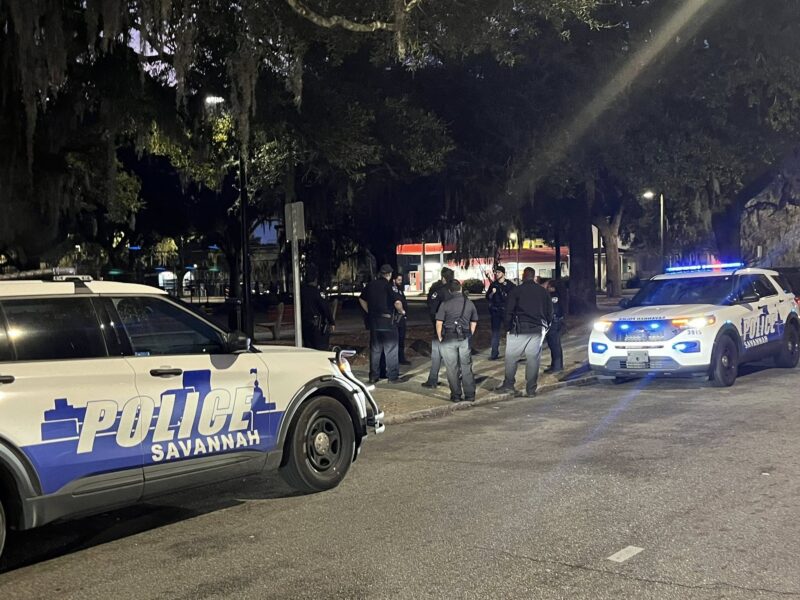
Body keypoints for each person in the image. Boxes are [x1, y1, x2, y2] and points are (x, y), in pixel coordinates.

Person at [496, 267, 554, 397]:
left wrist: (508, 327)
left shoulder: (516, 291)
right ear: (534, 277)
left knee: (511, 358)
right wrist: (546, 326)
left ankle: (509, 385)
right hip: (538, 329)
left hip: (519, 328)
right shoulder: (543, 292)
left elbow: (509, 311)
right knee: (533, 359)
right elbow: (550, 311)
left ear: (523, 276)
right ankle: (531, 389)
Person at [359, 264, 406, 383]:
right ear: (389, 274)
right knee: (391, 350)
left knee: (375, 350)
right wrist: (402, 311)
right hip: (388, 322)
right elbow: (397, 303)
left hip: (374, 322)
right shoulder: (389, 286)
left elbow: (361, 299)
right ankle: (393, 377)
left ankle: (374, 376)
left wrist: (369, 311)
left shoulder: (371, 285)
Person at [436, 280, 479, 402]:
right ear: (460, 289)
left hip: (448, 338)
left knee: (451, 368)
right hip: (464, 338)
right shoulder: (469, 303)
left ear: (450, 291)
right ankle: (470, 395)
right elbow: (474, 321)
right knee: (466, 367)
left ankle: (456, 395)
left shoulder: (445, 304)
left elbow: (439, 322)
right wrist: (470, 333)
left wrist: (440, 337)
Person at [421, 267, 455, 388]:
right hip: (455, 328)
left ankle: (433, 380)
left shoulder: (439, 291)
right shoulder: (456, 290)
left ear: (443, 277)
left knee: (437, 355)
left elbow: (432, 309)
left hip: (441, 327)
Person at [300, 264, 336, 350]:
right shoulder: (316, 293)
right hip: (316, 324)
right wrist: (331, 322)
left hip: (304, 322)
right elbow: (325, 307)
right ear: (315, 280)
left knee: (308, 347)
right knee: (319, 347)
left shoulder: (301, 292)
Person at [485, 265, 515, 360]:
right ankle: (494, 353)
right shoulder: (494, 285)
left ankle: (512, 354)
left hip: (506, 311)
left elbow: (514, 298)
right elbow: (488, 297)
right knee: (495, 333)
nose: (496, 274)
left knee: (510, 333)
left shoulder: (510, 285)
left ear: (503, 273)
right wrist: (492, 293)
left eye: (498, 272)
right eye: (496, 272)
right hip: (496, 312)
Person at [544, 279, 565, 373]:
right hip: (556, 321)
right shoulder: (559, 295)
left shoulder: (553, 296)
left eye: (548, 286)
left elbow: (552, 310)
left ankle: (557, 366)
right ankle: (556, 364)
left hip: (553, 322)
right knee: (554, 344)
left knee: (554, 344)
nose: (547, 288)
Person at [393, 272, 410, 365]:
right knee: (397, 339)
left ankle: (401, 358)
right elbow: (397, 303)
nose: (400, 282)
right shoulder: (393, 290)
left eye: (401, 280)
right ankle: (397, 359)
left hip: (402, 319)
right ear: (394, 280)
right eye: (398, 280)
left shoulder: (399, 290)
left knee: (401, 339)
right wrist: (402, 311)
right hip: (397, 318)